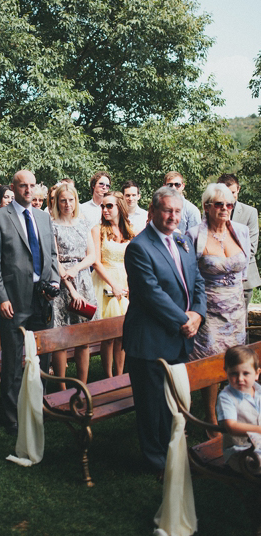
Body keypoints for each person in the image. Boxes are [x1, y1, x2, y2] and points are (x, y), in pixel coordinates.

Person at [123, 186, 206, 474]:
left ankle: (171, 449)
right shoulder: (139, 247)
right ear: (153, 211)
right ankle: (156, 461)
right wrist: (184, 321)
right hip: (149, 340)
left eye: (177, 211)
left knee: (172, 400)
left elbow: (197, 281)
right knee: (151, 405)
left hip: (177, 335)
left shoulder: (182, 240)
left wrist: (198, 313)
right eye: (167, 210)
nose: (173, 216)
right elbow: (150, 293)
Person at [0, 170, 60, 435]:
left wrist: (55, 283)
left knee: (44, 354)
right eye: (23, 186)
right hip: (14, 299)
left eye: (32, 186)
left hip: (42, 297)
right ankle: (13, 416)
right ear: (14, 188)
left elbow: (51, 254)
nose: (28, 190)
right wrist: (0, 297)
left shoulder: (42, 216)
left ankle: (40, 406)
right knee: (13, 357)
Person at [187, 182, 249, 423]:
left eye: (229, 204)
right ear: (207, 206)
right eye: (219, 204)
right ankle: (211, 417)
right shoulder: (194, 235)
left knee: (236, 358)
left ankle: (236, 409)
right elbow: (189, 274)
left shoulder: (240, 231)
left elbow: (243, 269)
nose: (225, 208)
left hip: (235, 308)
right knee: (210, 359)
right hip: (209, 309)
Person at [50, 183, 97, 385]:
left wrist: (76, 270)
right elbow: (54, 259)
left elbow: (92, 255)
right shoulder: (52, 225)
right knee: (61, 338)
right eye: (63, 200)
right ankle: (61, 387)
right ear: (57, 202)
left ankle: (82, 384)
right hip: (62, 285)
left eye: (71, 200)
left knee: (82, 338)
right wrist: (71, 289)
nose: (67, 204)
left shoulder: (83, 223)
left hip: (83, 279)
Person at [91, 191, 135, 378]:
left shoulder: (131, 230)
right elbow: (96, 261)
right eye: (103, 206)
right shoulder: (97, 230)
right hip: (106, 282)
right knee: (108, 335)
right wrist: (113, 285)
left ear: (120, 208)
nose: (105, 209)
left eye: (109, 206)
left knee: (123, 334)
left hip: (126, 281)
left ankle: (120, 374)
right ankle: (108, 376)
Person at [218, 173, 261, 315]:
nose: (229, 196)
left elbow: (251, 248)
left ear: (239, 190)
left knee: (241, 323)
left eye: (233, 192)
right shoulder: (211, 211)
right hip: (218, 278)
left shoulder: (250, 212)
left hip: (244, 278)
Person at [215, 345, 261, 473]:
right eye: (234, 373)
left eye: (246, 373)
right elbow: (231, 427)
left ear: (257, 374)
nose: (240, 379)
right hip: (240, 451)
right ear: (226, 372)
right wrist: (258, 430)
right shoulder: (226, 398)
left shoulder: (258, 391)